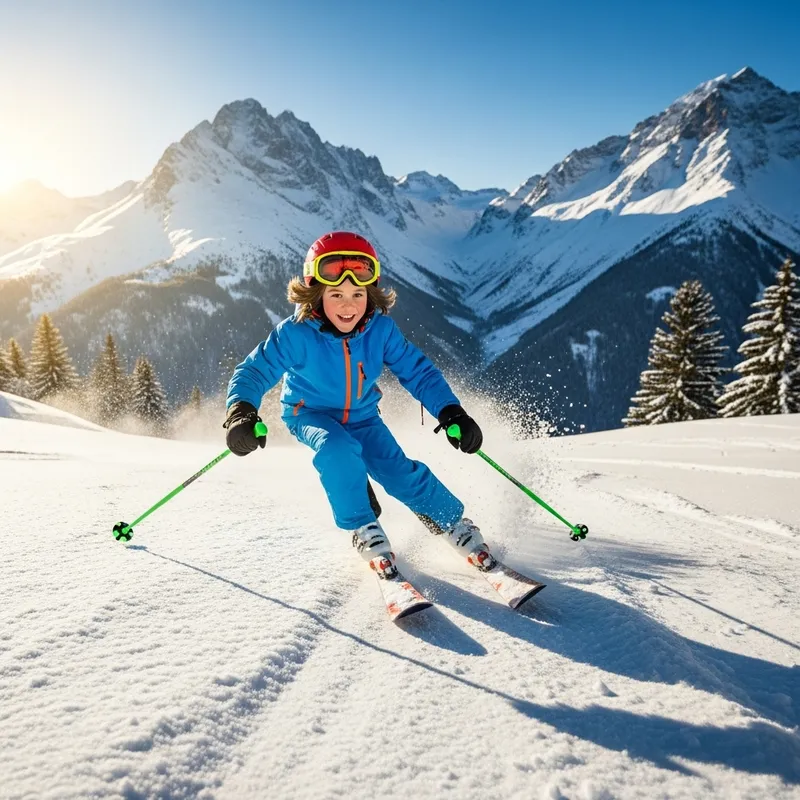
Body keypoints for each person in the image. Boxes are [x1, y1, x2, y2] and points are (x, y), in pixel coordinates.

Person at [224, 231, 496, 580]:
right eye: (336, 294)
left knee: (399, 472)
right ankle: (365, 530)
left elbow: (418, 371)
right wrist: (241, 411)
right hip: (309, 413)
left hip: (364, 416)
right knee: (336, 449)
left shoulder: (380, 330)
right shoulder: (295, 333)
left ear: (371, 294)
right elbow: (254, 370)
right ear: (315, 295)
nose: (348, 305)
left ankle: (454, 526)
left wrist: (450, 411)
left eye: (358, 294)